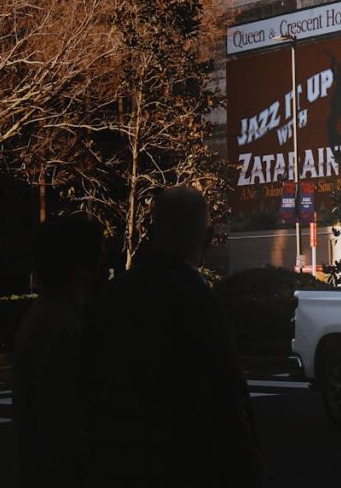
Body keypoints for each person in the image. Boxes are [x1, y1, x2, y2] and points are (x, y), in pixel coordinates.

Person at [82, 186, 260, 487]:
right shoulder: (202, 302)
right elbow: (225, 396)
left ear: (153, 230)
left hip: (122, 463)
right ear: (206, 236)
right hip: (191, 462)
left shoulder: (112, 297)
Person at [13, 213, 104, 488]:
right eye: (100, 256)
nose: (104, 265)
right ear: (82, 268)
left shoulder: (44, 315)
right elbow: (62, 428)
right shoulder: (61, 326)